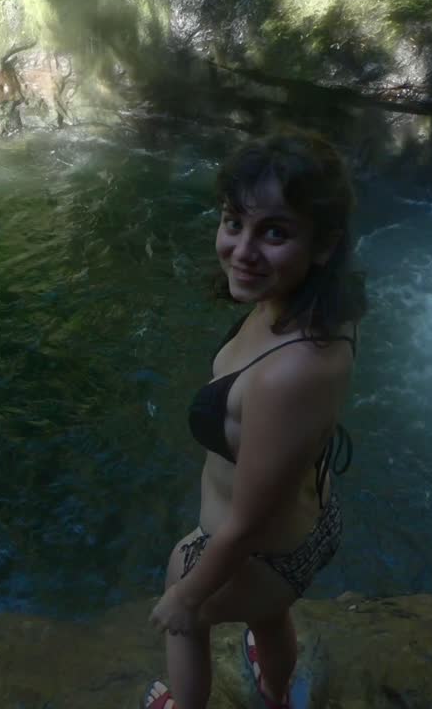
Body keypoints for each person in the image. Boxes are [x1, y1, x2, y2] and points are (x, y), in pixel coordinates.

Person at [143, 129, 367, 709]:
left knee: (185, 622)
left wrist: (187, 597)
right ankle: (274, 688)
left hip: (257, 551)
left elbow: (242, 523)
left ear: (323, 245)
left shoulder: (289, 374)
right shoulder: (322, 313)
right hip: (309, 521)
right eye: (233, 221)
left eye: (274, 232)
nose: (242, 250)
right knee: (268, 617)